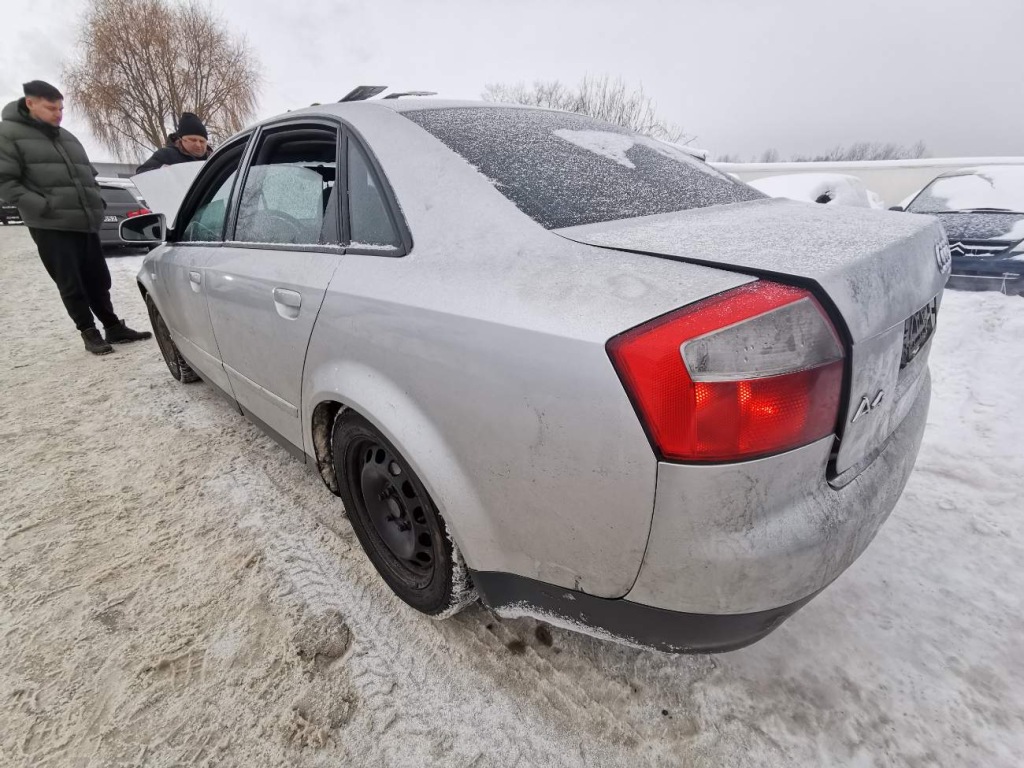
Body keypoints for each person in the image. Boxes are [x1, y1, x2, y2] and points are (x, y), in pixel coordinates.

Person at [0, 80, 151, 355]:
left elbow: (88, 173)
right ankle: (88, 331)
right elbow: (6, 182)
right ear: (30, 103)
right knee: (71, 281)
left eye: (61, 108)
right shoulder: (8, 134)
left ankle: (113, 326)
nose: (58, 114)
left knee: (98, 279)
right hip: (51, 225)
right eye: (51, 108)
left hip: (85, 220)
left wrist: (97, 199)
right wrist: (42, 206)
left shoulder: (66, 137)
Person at [136, 112, 212, 173]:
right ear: (181, 139)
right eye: (193, 140)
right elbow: (141, 172)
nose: (198, 145)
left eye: (202, 141)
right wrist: (163, 171)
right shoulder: (166, 155)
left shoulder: (214, 158)